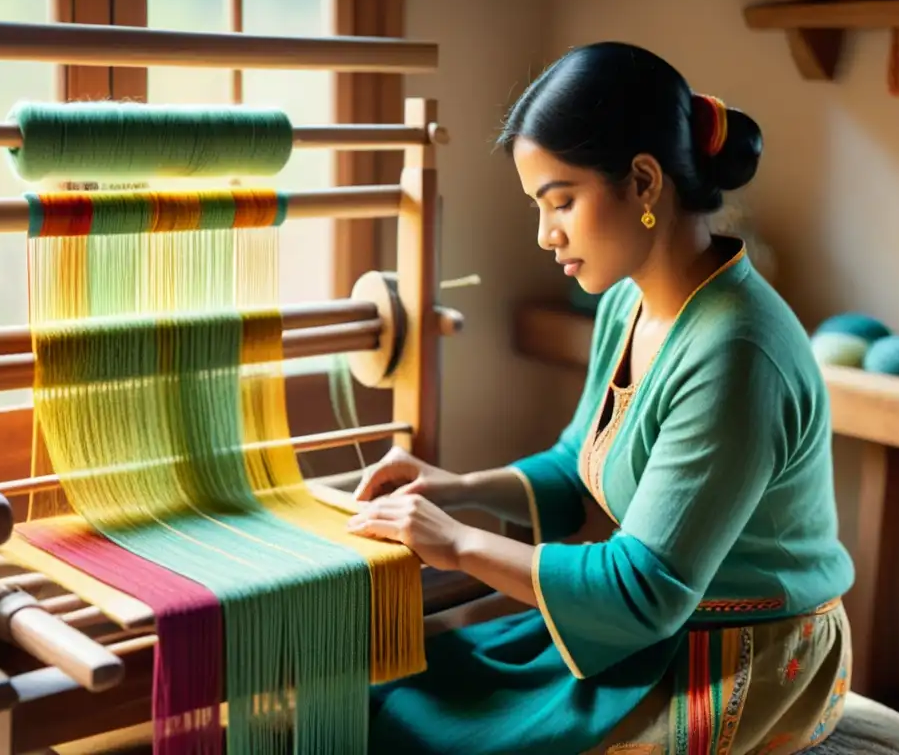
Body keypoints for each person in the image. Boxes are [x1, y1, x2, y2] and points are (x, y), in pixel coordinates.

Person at [345, 41, 856, 755]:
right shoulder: (627, 303)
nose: (545, 235)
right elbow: (576, 461)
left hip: (743, 654)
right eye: (537, 206)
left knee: (423, 732)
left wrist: (456, 542)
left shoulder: (737, 352)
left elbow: (644, 590)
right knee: (386, 693)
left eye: (561, 202)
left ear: (644, 182)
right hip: (660, 623)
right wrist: (457, 488)